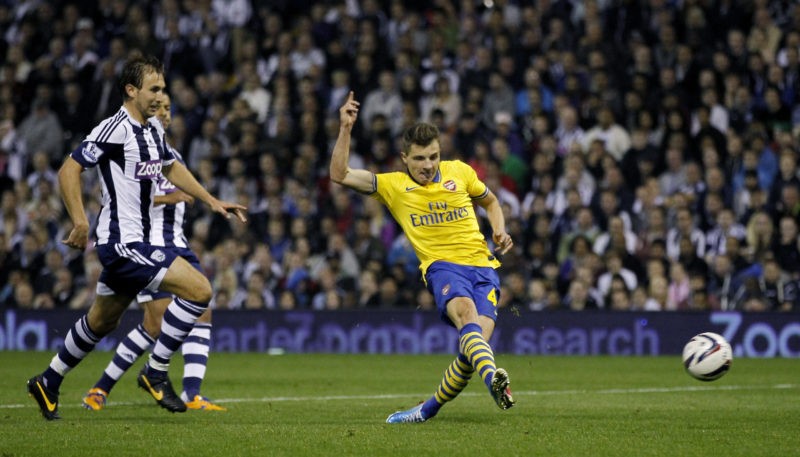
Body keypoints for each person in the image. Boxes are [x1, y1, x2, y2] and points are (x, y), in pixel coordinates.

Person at [26, 55, 247, 420]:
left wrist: (211, 200)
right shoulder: (114, 128)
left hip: (138, 243)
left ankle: (48, 380)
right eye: (154, 88)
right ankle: (156, 371)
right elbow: (69, 169)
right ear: (132, 90)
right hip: (122, 243)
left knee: (102, 321)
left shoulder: (152, 130)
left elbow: (172, 166)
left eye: (163, 87)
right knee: (200, 291)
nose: (162, 95)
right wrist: (80, 221)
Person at [329, 92, 515, 424]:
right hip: (443, 268)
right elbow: (340, 174)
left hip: (484, 268)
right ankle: (495, 382)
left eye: (433, 156)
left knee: (471, 351)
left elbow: (491, 202)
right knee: (466, 315)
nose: (428, 165)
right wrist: (345, 128)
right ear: (404, 158)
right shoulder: (394, 186)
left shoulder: (460, 172)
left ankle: (425, 411)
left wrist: (499, 229)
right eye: (419, 159)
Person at [81, 93, 225, 412]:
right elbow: (122, 198)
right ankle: (101, 388)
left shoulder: (170, 155)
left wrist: (207, 199)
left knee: (203, 308)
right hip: (149, 245)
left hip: (178, 243)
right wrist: (167, 199)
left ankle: (192, 392)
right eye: (157, 108)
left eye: (169, 109)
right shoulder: (134, 153)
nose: (164, 114)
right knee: (155, 324)